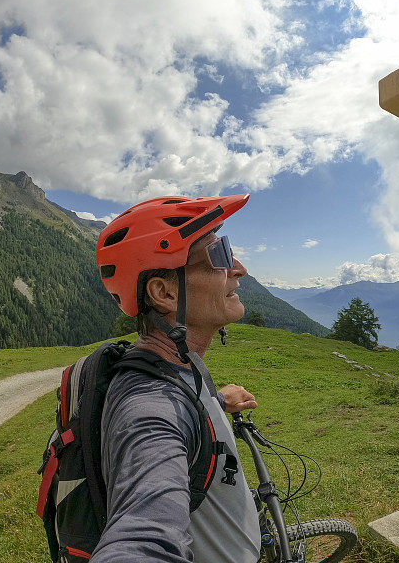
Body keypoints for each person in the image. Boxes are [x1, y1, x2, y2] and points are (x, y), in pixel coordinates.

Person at [92, 194, 261, 562]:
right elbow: (142, 536)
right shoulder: (149, 408)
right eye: (219, 255)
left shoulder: (177, 363)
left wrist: (215, 404)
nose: (239, 268)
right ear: (164, 293)